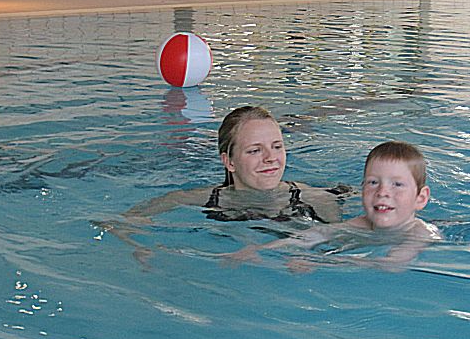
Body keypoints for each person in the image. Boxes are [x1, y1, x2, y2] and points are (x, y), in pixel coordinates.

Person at [101, 106, 350, 266]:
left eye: (277, 146)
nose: (271, 158)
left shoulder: (317, 200)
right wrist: (141, 247)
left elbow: (340, 245)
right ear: (229, 161)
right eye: (255, 150)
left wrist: (311, 259)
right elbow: (114, 223)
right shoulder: (193, 198)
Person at [224, 141, 442, 271]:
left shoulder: (420, 234)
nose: (383, 192)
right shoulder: (361, 224)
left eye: (397, 184)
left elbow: (390, 265)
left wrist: (320, 263)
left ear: (420, 199)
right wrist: (260, 249)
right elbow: (317, 234)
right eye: (373, 182)